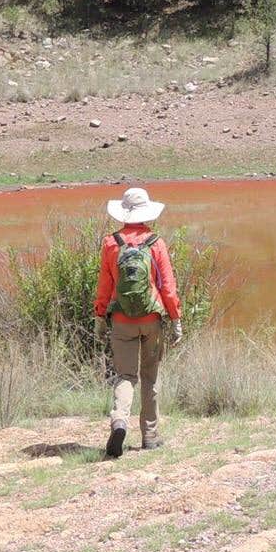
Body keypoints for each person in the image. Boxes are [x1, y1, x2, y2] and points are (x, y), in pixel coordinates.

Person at [92, 185, 182, 458]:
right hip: (151, 319)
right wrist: (176, 318)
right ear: (147, 214)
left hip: (121, 320)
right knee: (149, 377)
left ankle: (119, 420)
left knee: (126, 376)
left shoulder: (111, 243)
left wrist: (99, 316)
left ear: (123, 214)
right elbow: (168, 287)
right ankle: (150, 436)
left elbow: (104, 286)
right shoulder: (156, 243)